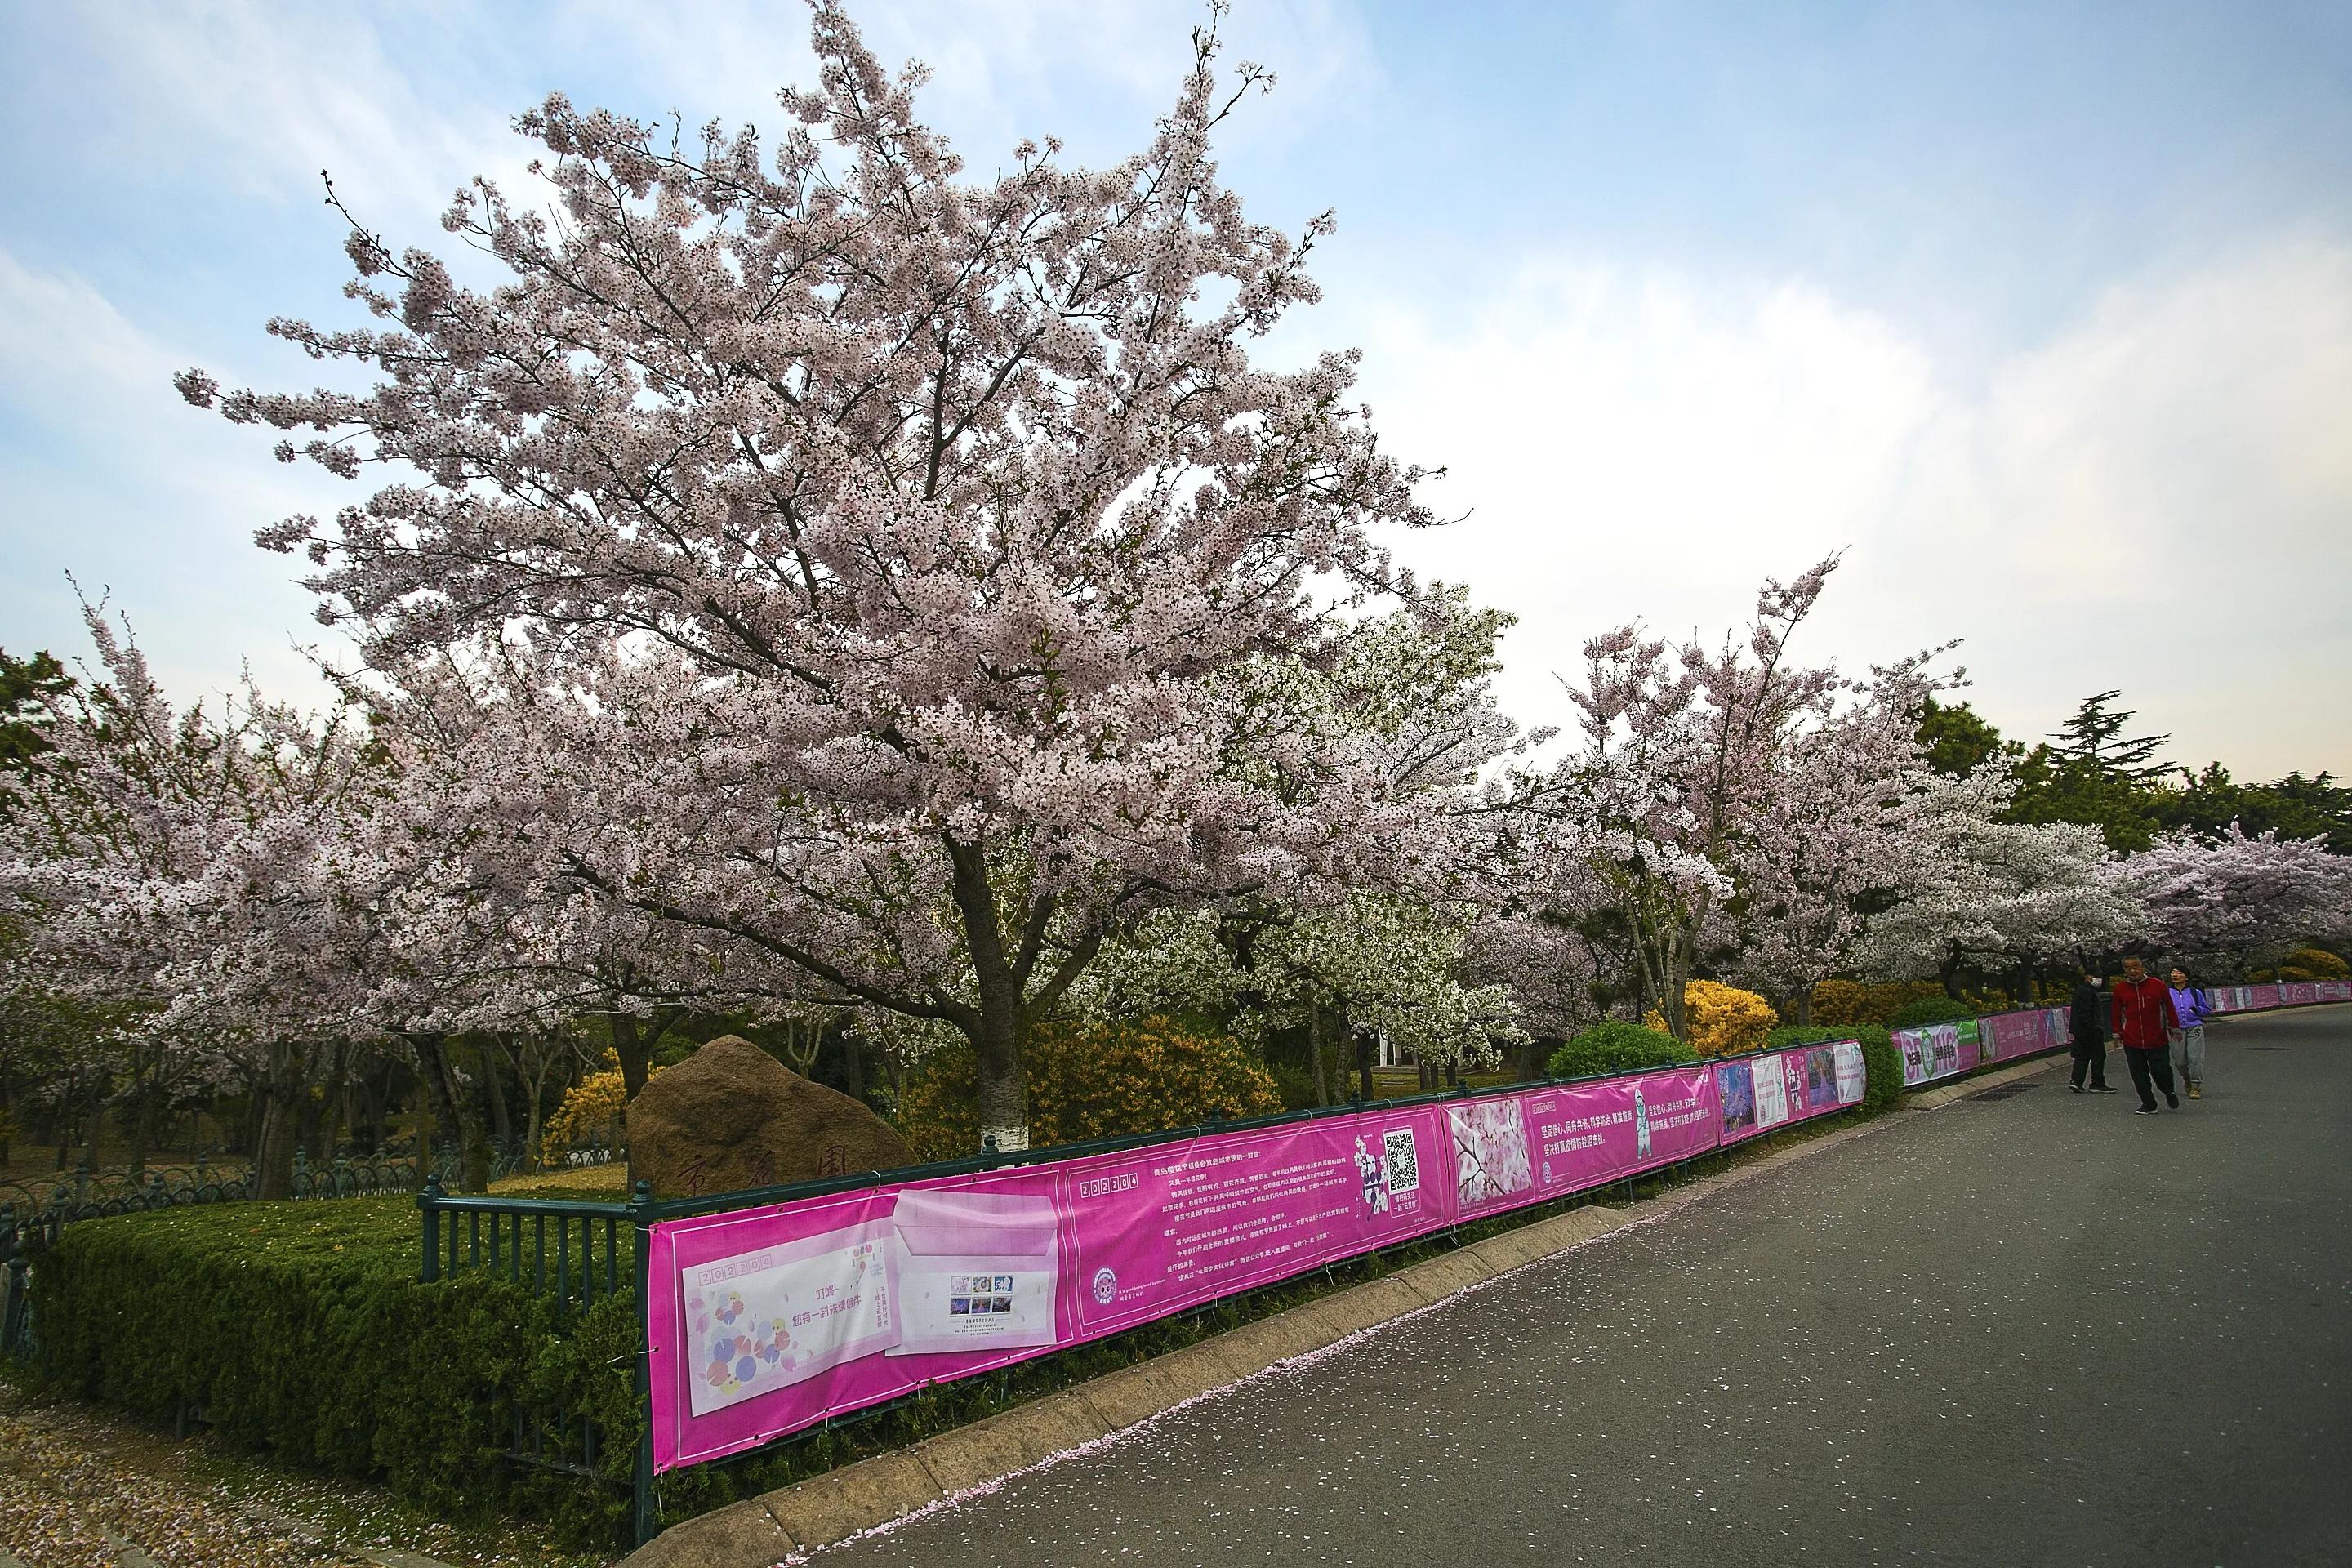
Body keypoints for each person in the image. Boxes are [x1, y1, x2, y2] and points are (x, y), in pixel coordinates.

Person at [2109, 956, 2179, 1114]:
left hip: (2157, 1038)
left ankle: (2169, 1091)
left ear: (2142, 967)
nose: (2133, 971)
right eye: (2128, 968)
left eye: (2135, 967)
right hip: (2132, 1040)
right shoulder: (2120, 989)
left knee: (2161, 1071)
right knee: (2139, 1074)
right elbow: (2116, 1013)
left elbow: (2169, 1007)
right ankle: (2148, 1103)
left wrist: (2174, 1027)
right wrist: (2117, 1032)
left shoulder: (2157, 985)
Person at [2167, 966, 2212, 1099]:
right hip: (2176, 1030)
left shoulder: (2195, 992)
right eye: (2173, 973)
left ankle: (2196, 1086)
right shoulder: (2167, 992)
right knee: (2179, 1061)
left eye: (2179, 973)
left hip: (2194, 1027)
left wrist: (2196, 1010)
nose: (2175, 975)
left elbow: (2207, 1010)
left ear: (2186, 977)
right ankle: (2186, 1078)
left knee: (2195, 1058)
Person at [2068, 967, 2114, 1093]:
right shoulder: (2087, 991)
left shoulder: (2083, 990)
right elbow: (2085, 1012)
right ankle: (2097, 1083)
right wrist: (2091, 1027)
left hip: (2081, 1029)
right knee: (2098, 1056)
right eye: (2097, 976)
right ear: (2088, 977)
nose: (2099, 979)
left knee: (2082, 1056)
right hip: (2090, 1029)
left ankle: (2076, 1081)